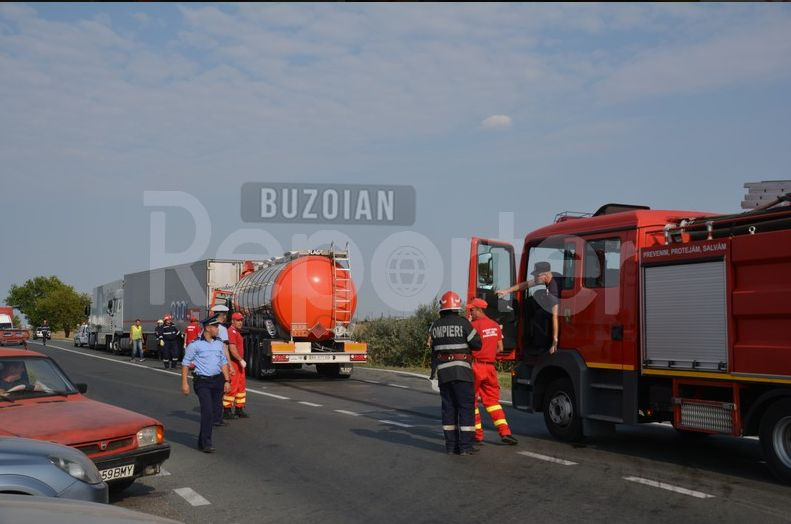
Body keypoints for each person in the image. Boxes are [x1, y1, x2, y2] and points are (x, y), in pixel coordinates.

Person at [428, 291, 482, 456]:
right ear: (457, 306)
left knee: (448, 409)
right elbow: (477, 344)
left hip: (444, 373)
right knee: (465, 408)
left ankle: (451, 446)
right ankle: (465, 446)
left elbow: (433, 349)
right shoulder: (464, 323)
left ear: (442, 307)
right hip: (462, 373)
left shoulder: (434, 326)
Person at [466, 298, 518, 446]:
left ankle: (477, 435)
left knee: (471, 401)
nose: (470, 312)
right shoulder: (495, 325)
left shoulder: (472, 326)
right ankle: (505, 432)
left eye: (472, 310)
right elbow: (500, 348)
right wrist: (488, 354)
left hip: (476, 366)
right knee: (493, 403)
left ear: (479, 310)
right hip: (490, 368)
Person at [180, 314, 231, 453]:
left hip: (217, 380)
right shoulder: (195, 345)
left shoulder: (219, 343)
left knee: (214, 411)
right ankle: (207, 443)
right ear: (208, 328)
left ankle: (202, 441)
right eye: (215, 326)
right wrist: (184, 383)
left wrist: (227, 380)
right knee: (207, 411)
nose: (218, 329)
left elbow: (223, 362)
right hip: (202, 382)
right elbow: (185, 364)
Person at [496, 261, 560, 354]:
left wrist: (555, 341)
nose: (534, 278)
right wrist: (506, 291)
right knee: (530, 301)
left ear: (544, 274)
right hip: (555, 303)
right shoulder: (550, 276)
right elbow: (525, 284)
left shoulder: (554, 289)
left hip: (564, 310)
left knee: (540, 315)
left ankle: (541, 345)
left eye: (536, 276)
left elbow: (555, 316)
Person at [223, 312, 248, 419]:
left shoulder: (236, 332)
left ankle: (239, 408)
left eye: (241, 320)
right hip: (234, 362)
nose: (240, 322)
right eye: (238, 320)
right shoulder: (231, 331)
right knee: (232, 386)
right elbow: (232, 349)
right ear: (232, 321)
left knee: (240, 387)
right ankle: (227, 410)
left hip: (238, 364)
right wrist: (240, 359)